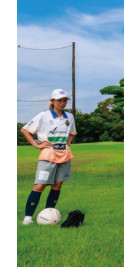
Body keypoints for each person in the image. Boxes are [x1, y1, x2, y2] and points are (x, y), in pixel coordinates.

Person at [20, 89, 77, 225]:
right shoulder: (43, 115)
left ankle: (48, 215)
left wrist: (67, 144)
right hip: (48, 154)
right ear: (52, 101)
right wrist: (36, 144)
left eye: (65, 100)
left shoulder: (69, 117)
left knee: (57, 185)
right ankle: (28, 218)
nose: (62, 103)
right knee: (40, 185)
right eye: (59, 100)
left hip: (64, 154)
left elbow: (72, 133)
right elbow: (25, 130)